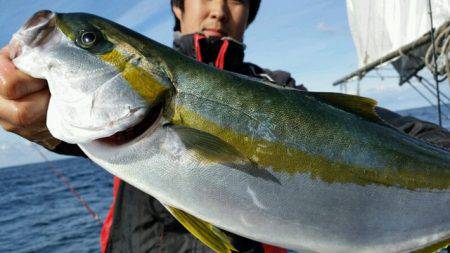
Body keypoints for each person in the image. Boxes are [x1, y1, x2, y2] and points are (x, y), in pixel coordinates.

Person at [0, 1, 449, 252]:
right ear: (177, 9)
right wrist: (45, 124)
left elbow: (407, 135)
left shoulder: (283, 90)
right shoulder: (138, 107)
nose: (218, 10)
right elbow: (93, 127)